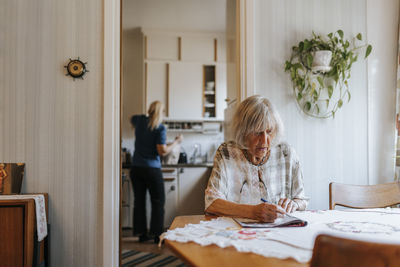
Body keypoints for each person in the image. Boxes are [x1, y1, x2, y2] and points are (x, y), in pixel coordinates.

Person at [205, 95, 308, 222]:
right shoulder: (227, 153)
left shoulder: (286, 153)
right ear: (243, 132)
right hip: (236, 233)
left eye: (269, 131)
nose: (264, 140)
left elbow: (302, 200)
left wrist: (295, 204)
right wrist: (253, 212)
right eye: (257, 132)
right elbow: (211, 203)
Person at [130, 101, 182, 243]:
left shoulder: (139, 120)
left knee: (139, 202)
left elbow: (132, 119)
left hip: (136, 168)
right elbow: (162, 151)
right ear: (161, 112)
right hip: (152, 169)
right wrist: (176, 142)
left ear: (150, 110)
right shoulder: (160, 128)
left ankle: (141, 234)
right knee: (158, 202)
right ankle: (157, 235)